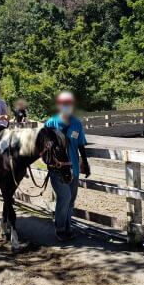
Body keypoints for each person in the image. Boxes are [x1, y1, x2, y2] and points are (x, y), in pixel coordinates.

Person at [45, 91, 90, 241]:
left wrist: (85, 163)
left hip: (74, 168)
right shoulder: (51, 123)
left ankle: (69, 227)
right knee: (65, 197)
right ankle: (60, 229)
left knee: (70, 200)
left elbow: (81, 145)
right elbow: (43, 147)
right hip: (57, 169)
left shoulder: (77, 123)